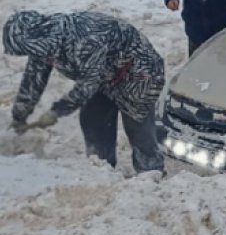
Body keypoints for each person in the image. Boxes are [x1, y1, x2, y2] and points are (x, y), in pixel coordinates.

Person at [3, 10, 165, 173]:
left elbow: (87, 85)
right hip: (104, 77)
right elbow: (32, 81)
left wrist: (56, 112)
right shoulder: (44, 44)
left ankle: (151, 173)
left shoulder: (85, 38)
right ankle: (101, 170)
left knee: (137, 126)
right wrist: (19, 116)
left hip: (138, 72)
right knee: (93, 119)